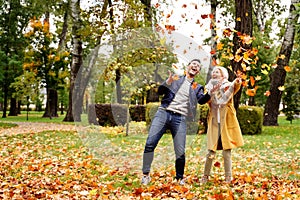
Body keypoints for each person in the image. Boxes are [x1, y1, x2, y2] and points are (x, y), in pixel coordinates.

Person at [141, 59, 218, 185]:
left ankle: (179, 178)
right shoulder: (175, 79)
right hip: (163, 113)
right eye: (193, 64)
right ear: (187, 67)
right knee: (150, 143)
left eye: (198, 66)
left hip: (180, 118)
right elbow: (160, 92)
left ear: (198, 72)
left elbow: (201, 100)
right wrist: (168, 82)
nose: (195, 66)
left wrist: (210, 93)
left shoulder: (197, 87)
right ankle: (145, 175)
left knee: (180, 150)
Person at [201, 66, 244, 184]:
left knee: (227, 150)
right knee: (211, 151)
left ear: (223, 75)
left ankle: (228, 177)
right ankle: (205, 176)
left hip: (226, 121)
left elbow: (234, 87)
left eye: (217, 72)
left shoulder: (228, 85)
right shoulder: (209, 88)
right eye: (213, 72)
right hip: (214, 121)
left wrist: (237, 82)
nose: (214, 74)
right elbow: (205, 99)